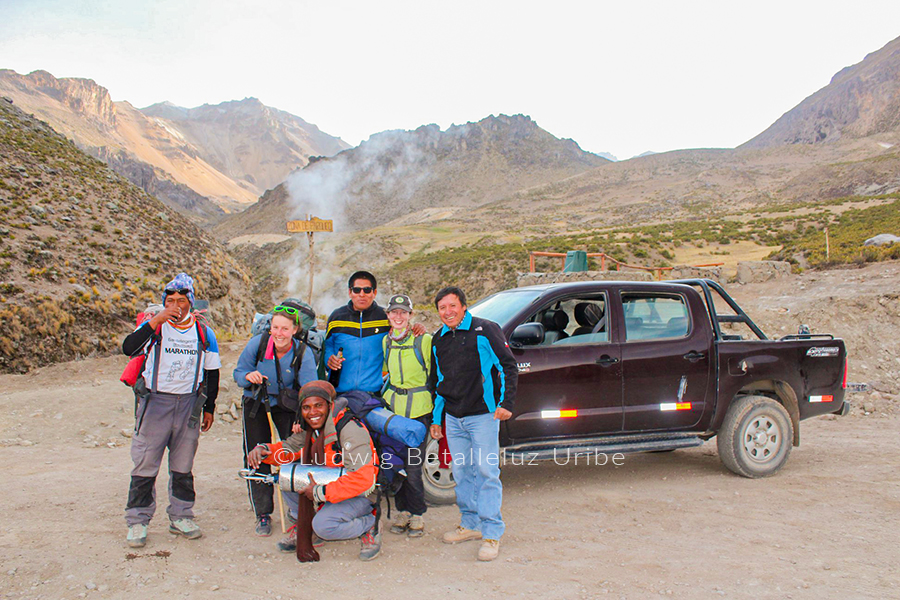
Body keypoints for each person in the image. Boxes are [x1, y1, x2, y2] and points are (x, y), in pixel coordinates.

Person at [121, 273, 220, 548]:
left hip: (188, 405)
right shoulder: (154, 327)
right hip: (155, 403)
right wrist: (156, 320)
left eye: (182, 300)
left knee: (183, 466)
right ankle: (138, 521)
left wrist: (209, 407)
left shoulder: (203, 332)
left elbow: (212, 372)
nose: (176, 305)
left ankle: (181, 516)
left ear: (191, 302)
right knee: (145, 463)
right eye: (170, 300)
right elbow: (128, 347)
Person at [429, 286, 518, 562]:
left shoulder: (485, 329)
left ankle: (492, 533)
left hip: (483, 416)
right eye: (442, 308)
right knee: (462, 471)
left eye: (452, 306)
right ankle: (470, 524)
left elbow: (508, 366)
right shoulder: (438, 339)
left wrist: (506, 405)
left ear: (464, 307)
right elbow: (437, 382)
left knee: (486, 471)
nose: (448, 312)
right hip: (454, 418)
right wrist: (436, 420)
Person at [248, 380, 382, 561]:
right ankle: (305, 525)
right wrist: (264, 451)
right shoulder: (311, 429)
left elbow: (363, 479)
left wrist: (320, 493)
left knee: (324, 526)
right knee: (287, 476)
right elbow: (289, 449)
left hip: (360, 494)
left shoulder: (350, 430)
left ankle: (370, 524)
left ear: (329, 405)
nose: (312, 412)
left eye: (318, 405)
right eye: (306, 407)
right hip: (331, 486)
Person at [233, 304, 317, 537]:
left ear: (294, 330)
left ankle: (298, 506)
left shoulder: (302, 351)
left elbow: (309, 389)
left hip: (288, 407)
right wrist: (248, 376)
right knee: (256, 453)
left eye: (285, 328)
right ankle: (263, 512)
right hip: (256, 403)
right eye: (275, 328)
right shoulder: (258, 344)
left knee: (293, 452)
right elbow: (239, 372)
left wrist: (301, 417)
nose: (279, 333)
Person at [381, 294, 434, 538]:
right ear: (388, 315)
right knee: (395, 464)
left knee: (413, 467)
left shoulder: (424, 340)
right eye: (394, 312)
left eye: (404, 312)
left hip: (418, 413)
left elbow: (435, 376)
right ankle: (403, 511)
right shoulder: (386, 342)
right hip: (394, 414)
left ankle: (417, 514)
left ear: (411, 315)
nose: (399, 316)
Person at [324, 271, 425, 396]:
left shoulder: (385, 318)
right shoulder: (336, 317)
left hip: (372, 394)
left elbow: (402, 331)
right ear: (350, 292)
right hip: (338, 391)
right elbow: (327, 345)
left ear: (374, 293)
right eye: (356, 290)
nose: (362, 294)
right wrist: (328, 359)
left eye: (367, 290)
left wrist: (418, 327)